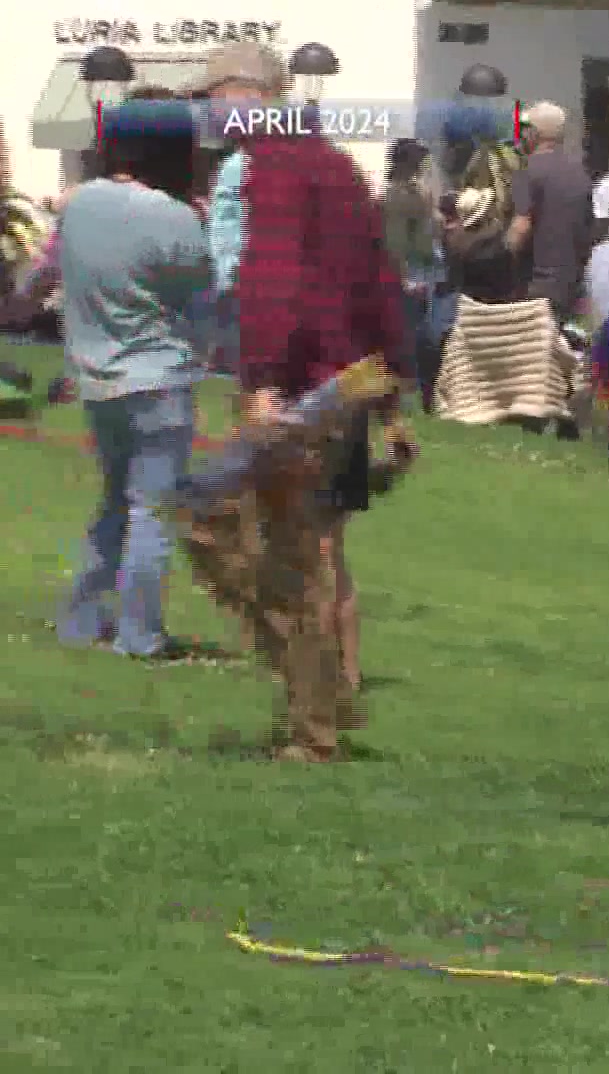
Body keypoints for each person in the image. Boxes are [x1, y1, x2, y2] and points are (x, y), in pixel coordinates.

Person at [192, 40, 410, 762]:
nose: (208, 112)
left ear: (246, 94)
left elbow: (272, 285)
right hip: (347, 383)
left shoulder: (276, 167)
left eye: (212, 96)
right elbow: (380, 283)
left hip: (300, 391)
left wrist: (261, 383)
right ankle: (333, 701)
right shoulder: (337, 165)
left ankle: (314, 730)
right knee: (316, 550)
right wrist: (391, 400)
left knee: (239, 540)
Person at [53, 97, 209, 660]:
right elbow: (201, 293)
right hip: (158, 375)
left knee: (114, 501)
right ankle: (139, 634)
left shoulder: (78, 205)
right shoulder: (175, 217)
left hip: (95, 376)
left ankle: (81, 618)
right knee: (152, 508)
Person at [505, 102, 594, 323]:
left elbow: (521, 227)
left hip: (535, 287)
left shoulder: (528, 172)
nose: (523, 134)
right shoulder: (580, 173)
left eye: (525, 129)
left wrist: (500, 262)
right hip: (571, 286)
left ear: (534, 133)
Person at [382, 139, 441, 409]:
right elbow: (395, 242)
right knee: (412, 337)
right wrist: (404, 278)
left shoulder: (412, 193)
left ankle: (415, 394)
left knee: (418, 336)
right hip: (409, 273)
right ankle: (407, 396)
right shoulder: (397, 196)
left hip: (420, 268)